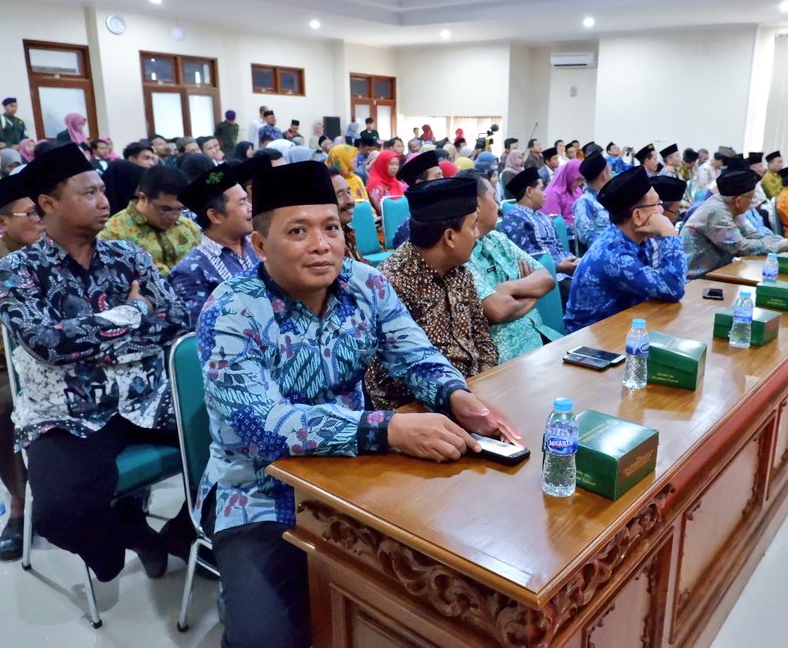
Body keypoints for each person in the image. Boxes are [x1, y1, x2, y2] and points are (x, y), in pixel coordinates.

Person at [195, 161, 516, 648]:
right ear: (260, 246)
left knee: (434, 594)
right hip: (257, 494)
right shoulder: (230, 311)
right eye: (298, 231)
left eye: (330, 228)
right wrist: (386, 429)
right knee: (267, 638)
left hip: (355, 477)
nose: (321, 245)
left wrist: (458, 396)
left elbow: (415, 354)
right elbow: (262, 426)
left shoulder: (365, 284)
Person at [0, 144, 189, 583]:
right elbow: (47, 344)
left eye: (103, 191)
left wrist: (87, 333)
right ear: (48, 204)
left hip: (146, 397)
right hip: (67, 412)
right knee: (58, 515)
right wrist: (133, 314)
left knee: (237, 442)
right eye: (89, 193)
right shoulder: (16, 271)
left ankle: (181, 532)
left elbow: (175, 320)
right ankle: (131, 535)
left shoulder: (127, 257)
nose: (104, 202)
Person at [364, 176, 499, 409]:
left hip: (474, 394)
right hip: (423, 411)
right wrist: (454, 397)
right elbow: (384, 380)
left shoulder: (461, 272)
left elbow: (482, 338)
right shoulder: (392, 283)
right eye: (472, 226)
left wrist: (481, 387)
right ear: (449, 237)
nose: (477, 234)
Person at [0, 175, 44, 561]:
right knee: (8, 403)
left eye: (43, 210)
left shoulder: (56, 249)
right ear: (2, 223)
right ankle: (19, 502)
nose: (41, 219)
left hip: (56, 352)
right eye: (31, 213)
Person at [564, 167, 686, 333]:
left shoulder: (640, 239)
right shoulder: (613, 255)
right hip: (592, 344)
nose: (662, 211)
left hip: (624, 327)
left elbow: (665, 284)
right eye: (657, 204)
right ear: (637, 216)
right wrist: (669, 234)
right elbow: (673, 288)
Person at [464, 170, 554, 362]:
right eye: (494, 198)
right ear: (478, 205)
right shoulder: (463, 254)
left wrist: (509, 288)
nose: (498, 206)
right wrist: (531, 293)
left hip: (541, 337)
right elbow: (497, 310)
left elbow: (546, 278)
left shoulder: (497, 238)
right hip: (506, 359)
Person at [681, 168, 788, 279]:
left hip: (715, 273)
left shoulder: (730, 206)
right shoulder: (717, 211)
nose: (753, 202)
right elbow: (740, 247)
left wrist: (784, 241)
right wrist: (784, 245)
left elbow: (753, 234)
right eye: (751, 198)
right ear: (738, 201)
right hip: (695, 280)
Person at [168, 164, 258, 324]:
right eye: (242, 203)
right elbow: (203, 329)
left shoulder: (262, 244)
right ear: (215, 216)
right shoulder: (191, 271)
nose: (251, 207)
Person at [99, 166, 201, 275]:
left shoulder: (189, 227)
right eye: (166, 209)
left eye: (180, 209)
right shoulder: (113, 233)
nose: (173, 216)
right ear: (143, 198)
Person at [501, 167, 579, 301]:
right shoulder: (514, 218)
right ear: (529, 191)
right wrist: (558, 267)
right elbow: (525, 258)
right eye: (541, 189)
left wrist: (575, 261)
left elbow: (559, 248)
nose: (545, 194)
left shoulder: (544, 217)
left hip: (566, 272)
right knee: (586, 289)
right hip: (549, 277)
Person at [573, 151, 612, 248]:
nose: (612, 175)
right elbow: (587, 237)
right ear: (604, 175)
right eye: (610, 171)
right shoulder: (584, 202)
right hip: (603, 253)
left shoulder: (610, 197)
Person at [540, 158, 585, 228]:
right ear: (569, 175)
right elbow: (553, 224)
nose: (579, 183)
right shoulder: (552, 194)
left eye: (581, 180)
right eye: (577, 179)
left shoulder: (577, 190)